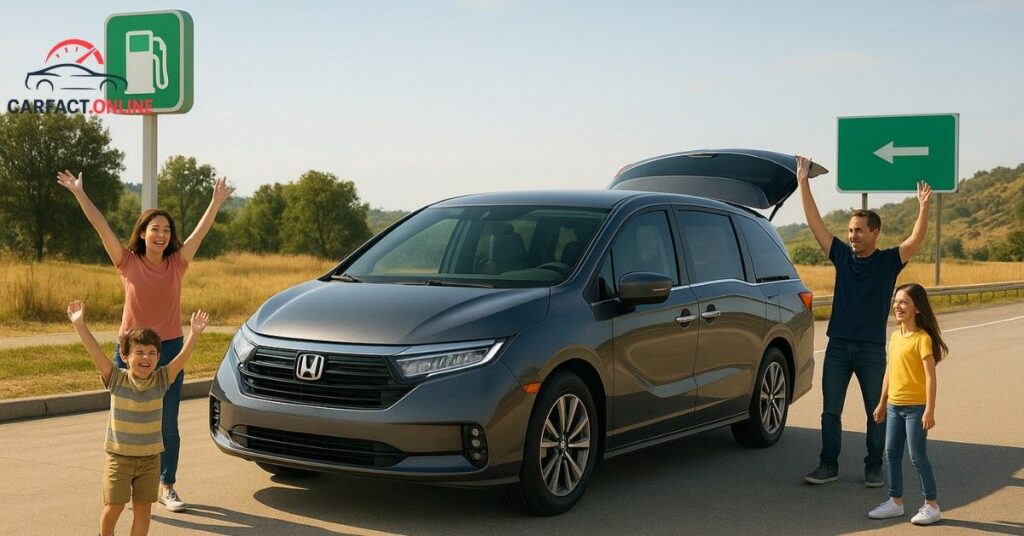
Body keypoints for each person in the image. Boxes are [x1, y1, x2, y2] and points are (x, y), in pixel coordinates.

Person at [57, 169, 230, 512]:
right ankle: (119, 482)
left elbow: (201, 232)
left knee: (166, 421)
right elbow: (100, 225)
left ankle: (166, 485)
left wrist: (216, 202)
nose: (162, 235)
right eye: (155, 229)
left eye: (167, 230)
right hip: (129, 351)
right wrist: (79, 192)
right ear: (144, 233)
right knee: (123, 420)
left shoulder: (177, 264)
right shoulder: (127, 262)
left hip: (168, 349)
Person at [795, 155, 932, 487]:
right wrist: (803, 183)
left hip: (871, 349)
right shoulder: (841, 255)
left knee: (877, 411)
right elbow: (816, 224)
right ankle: (828, 465)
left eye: (858, 230)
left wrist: (923, 207)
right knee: (831, 412)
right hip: (839, 346)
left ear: (875, 232)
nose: (852, 235)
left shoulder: (888, 262)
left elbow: (915, 239)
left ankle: (875, 466)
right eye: (850, 231)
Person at [67, 300, 209, 536]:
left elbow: (181, 359)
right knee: (114, 507)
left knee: (143, 511)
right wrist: (79, 324)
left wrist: (194, 333)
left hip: (150, 459)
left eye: (152, 353)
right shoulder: (116, 378)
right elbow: (95, 352)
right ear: (125, 356)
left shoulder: (161, 379)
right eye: (139, 352)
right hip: (119, 458)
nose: (146, 357)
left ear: (158, 357)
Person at [868, 283, 947, 525]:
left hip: (916, 408)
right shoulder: (894, 337)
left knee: (917, 456)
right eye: (896, 301)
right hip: (894, 406)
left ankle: (931, 505)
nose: (897, 306)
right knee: (890, 453)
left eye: (904, 302)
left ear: (917, 309)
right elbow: (890, 373)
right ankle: (895, 502)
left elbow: (931, 377)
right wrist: (882, 403)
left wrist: (929, 410)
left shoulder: (922, 339)